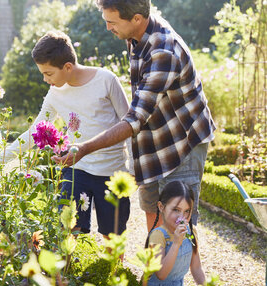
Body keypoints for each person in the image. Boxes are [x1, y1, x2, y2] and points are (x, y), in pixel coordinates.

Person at [54, 0, 216, 232]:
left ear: (136, 19)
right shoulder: (136, 35)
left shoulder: (163, 51)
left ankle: (180, 268)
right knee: (153, 207)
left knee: (178, 221)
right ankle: (155, 266)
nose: (108, 27)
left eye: (112, 22)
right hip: (156, 139)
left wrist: (84, 148)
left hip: (183, 143)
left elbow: (135, 118)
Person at [2, 30, 132, 235]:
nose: (45, 79)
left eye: (48, 73)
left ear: (68, 67)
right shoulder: (55, 93)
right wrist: (1, 158)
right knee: (68, 228)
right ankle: (67, 266)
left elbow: (130, 124)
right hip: (76, 167)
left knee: (112, 235)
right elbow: (34, 131)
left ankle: (115, 267)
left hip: (111, 170)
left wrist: (132, 169)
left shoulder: (106, 80)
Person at [145, 180, 223, 286]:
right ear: (161, 207)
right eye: (176, 210)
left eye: (187, 211)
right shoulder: (158, 235)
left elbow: (196, 267)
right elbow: (161, 274)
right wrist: (176, 243)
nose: (182, 217)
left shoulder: (191, 231)